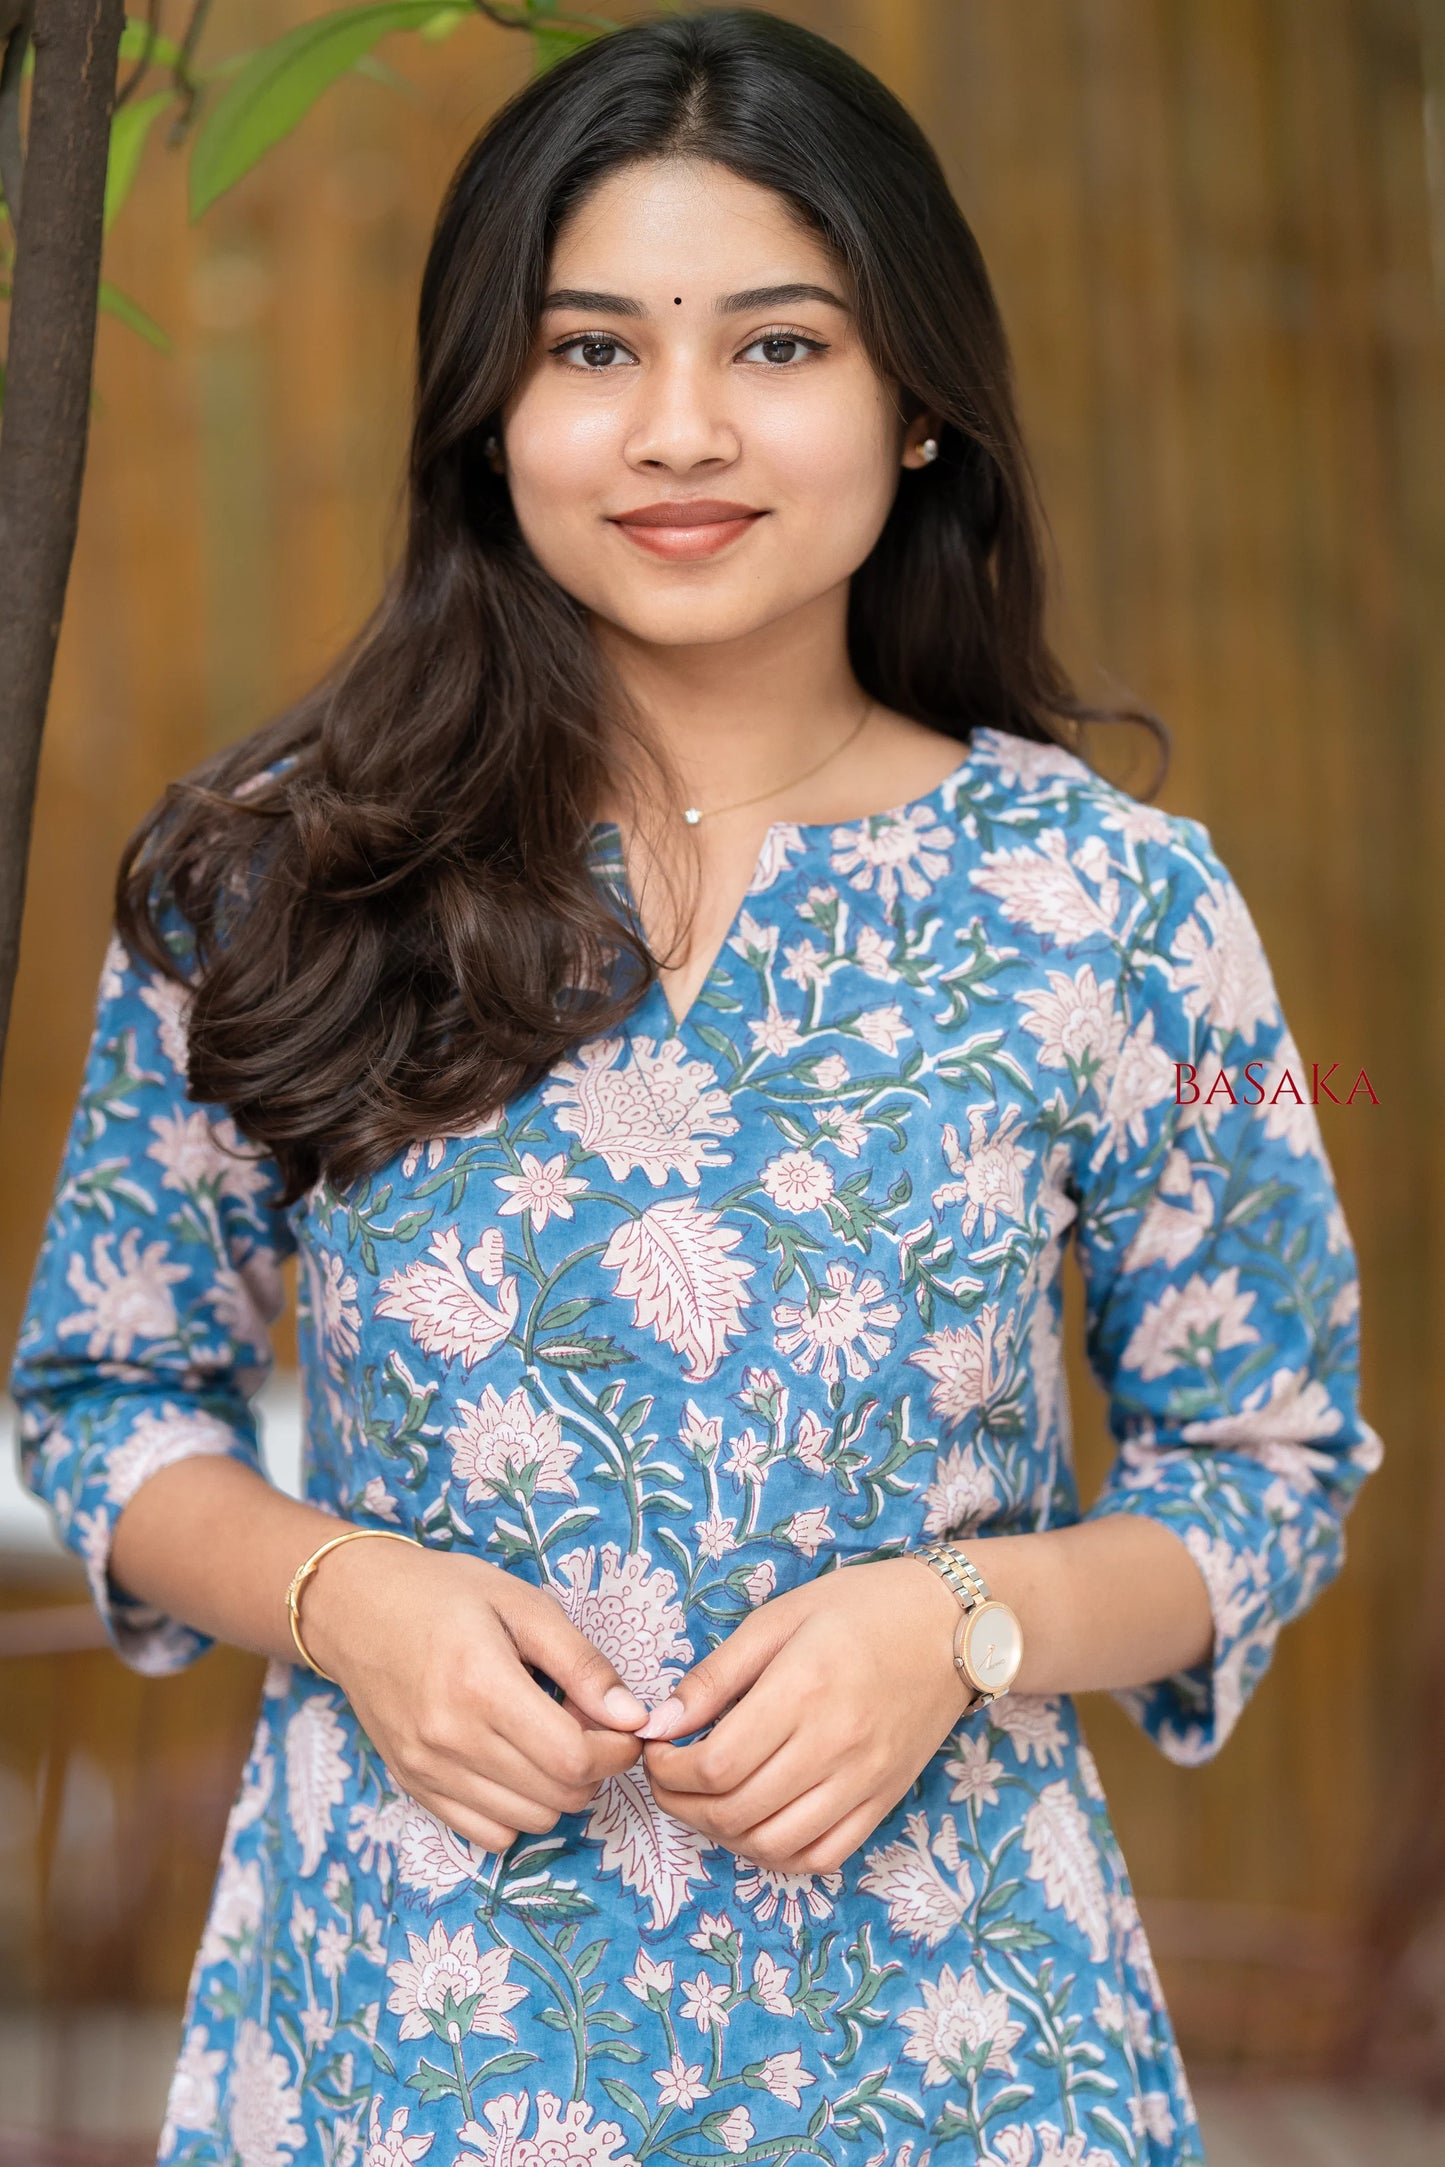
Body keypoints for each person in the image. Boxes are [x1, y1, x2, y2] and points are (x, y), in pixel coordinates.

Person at [11, 11, 1382, 2165]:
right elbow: (104, 1402)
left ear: (915, 399)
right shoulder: (275, 880)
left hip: (954, 2059)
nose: (678, 431)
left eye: (775, 345)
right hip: (409, 2049)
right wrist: (341, 1596)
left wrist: (962, 1620)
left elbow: (1266, 1460)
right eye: (591, 350)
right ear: (488, 409)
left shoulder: (1114, 908)